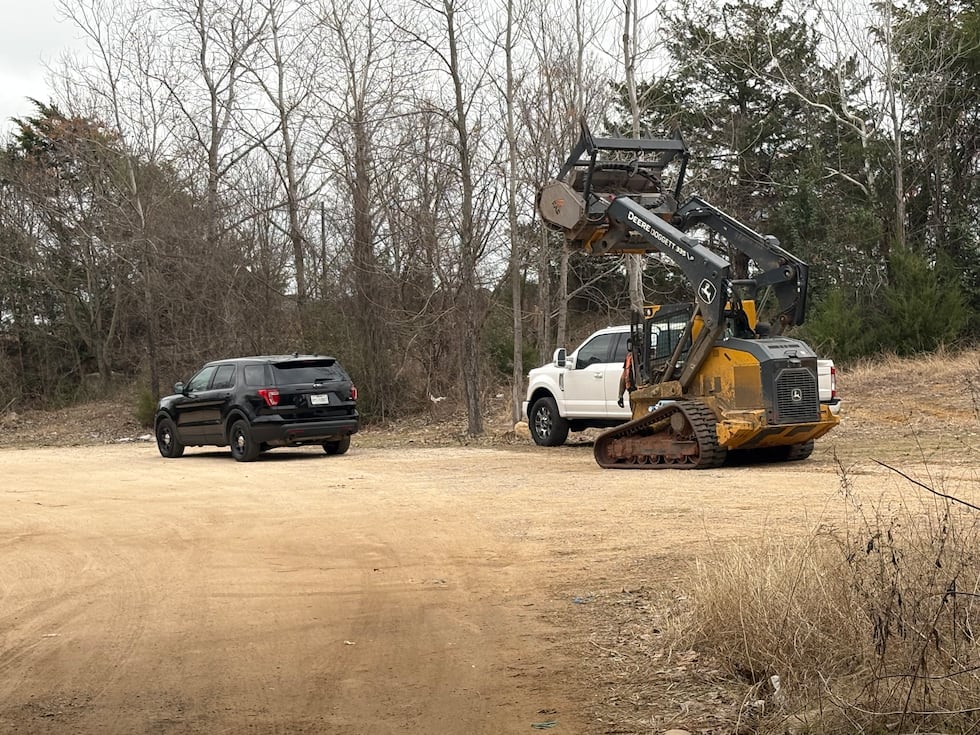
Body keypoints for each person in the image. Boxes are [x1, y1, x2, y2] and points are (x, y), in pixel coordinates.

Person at [617, 339, 636, 408]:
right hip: (632, 393)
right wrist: (620, 396)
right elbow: (624, 376)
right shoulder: (629, 357)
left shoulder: (650, 357)